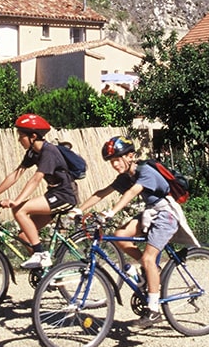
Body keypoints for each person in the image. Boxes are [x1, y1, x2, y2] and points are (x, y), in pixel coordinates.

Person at [80, 136, 192, 328]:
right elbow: (102, 192)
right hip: (150, 213)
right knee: (120, 236)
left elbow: (132, 193)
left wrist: (112, 212)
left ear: (130, 156)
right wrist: (78, 209)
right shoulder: (126, 176)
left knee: (149, 258)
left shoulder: (145, 172)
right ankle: (152, 272)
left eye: (117, 159)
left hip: (166, 215)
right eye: (111, 161)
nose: (114, 164)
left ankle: (154, 311)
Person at [0, 113, 79, 270]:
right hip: (53, 195)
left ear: (33, 136)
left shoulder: (49, 152)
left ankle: (41, 255)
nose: (19, 139)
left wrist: (17, 200)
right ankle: (47, 274)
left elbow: (35, 179)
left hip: (65, 196)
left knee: (19, 209)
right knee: (24, 236)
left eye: (21, 136)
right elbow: (16, 174)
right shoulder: (33, 152)